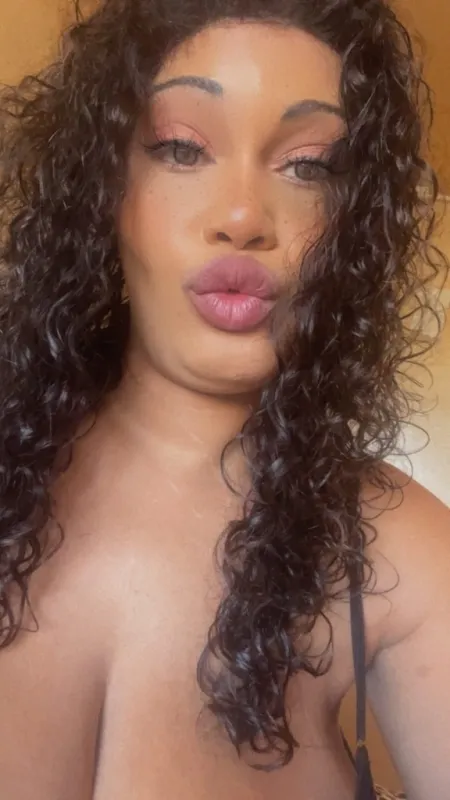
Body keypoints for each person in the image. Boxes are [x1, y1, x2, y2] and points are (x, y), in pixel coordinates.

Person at [0, 0, 449, 797]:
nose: (243, 217)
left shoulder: (400, 552)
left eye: (308, 166)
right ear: (105, 187)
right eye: (182, 148)